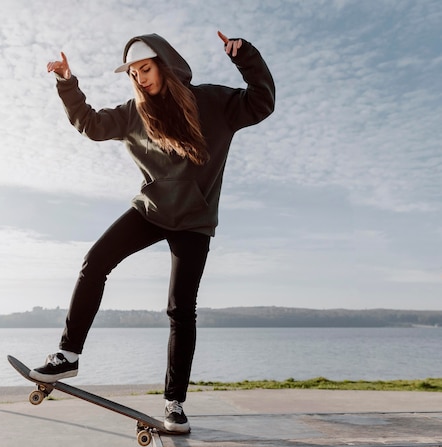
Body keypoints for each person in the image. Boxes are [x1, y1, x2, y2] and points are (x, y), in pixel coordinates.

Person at [30, 31, 275, 433]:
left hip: (194, 219)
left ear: (164, 63)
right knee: (95, 261)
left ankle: (174, 403)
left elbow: (261, 102)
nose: (140, 78)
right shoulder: (134, 113)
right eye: (134, 73)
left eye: (146, 69)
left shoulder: (211, 103)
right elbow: (90, 124)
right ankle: (67, 356)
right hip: (151, 210)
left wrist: (245, 55)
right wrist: (66, 82)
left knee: (181, 309)